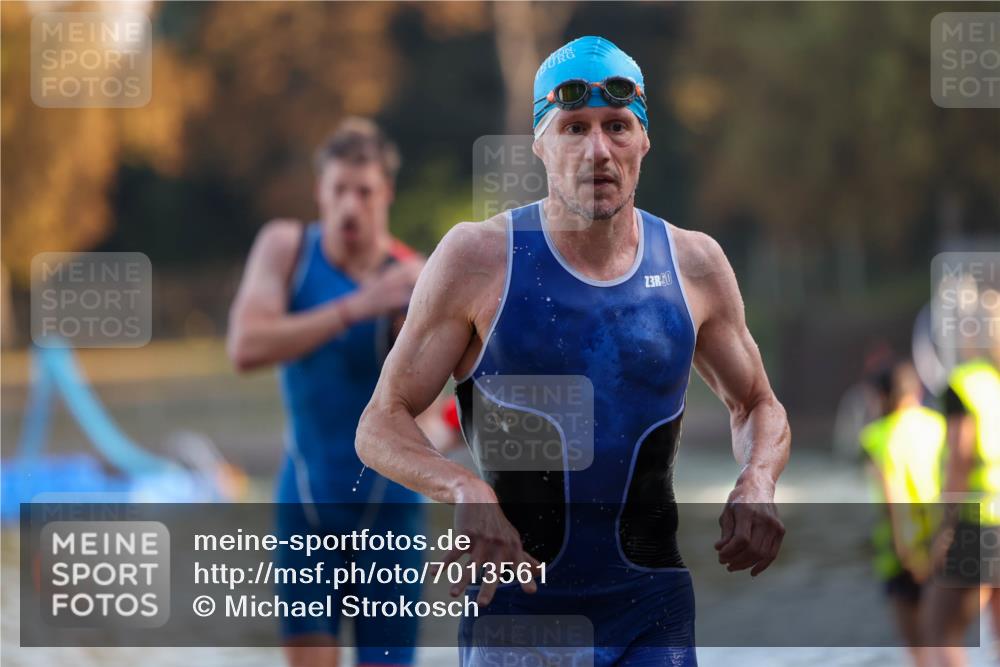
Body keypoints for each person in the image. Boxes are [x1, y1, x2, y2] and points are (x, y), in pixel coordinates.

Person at [355, 36, 790, 666]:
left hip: (653, 610)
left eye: (617, 126)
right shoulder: (478, 259)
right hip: (518, 612)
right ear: (540, 144)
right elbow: (380, 423)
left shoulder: (695, 264)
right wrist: (463, 490)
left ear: (644, 140)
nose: (597, 151)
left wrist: (758, 479)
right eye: (573, 128)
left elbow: (757, 405)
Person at [227, 118, 454, 667]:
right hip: (305, 506)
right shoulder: (286, 249)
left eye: (364, 191)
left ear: (387, 194)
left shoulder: (415, 280)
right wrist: (357, 307)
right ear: (319, 193)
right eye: (338, 191)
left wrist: (437, 438)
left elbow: (452, 405)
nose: (350, 206)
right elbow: (245, 346)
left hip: (391, 515)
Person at [923, 295, 1000, 667]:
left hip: (978, 524)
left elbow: (960, 460)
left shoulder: (965, 384)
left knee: (940, 630)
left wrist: (945, 528)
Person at [859, 359, 945, 666]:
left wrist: (906, 552)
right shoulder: (939, 425)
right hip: (944, 541)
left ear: (882, 396)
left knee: (918, 651)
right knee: (946, 644)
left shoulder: (878, 435)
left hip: (902, 550)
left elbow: (893, 498)